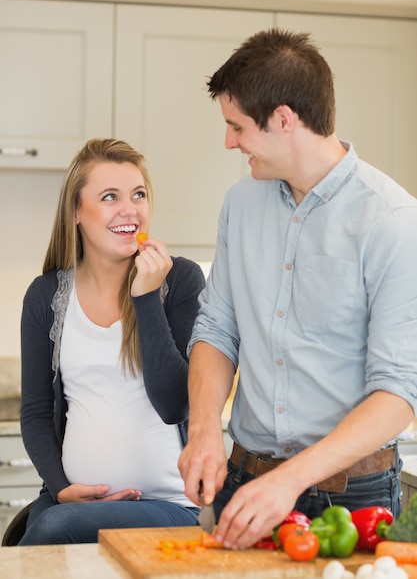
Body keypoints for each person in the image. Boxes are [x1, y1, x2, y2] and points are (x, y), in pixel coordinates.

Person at [178, 28, 417, 550]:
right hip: (244, 482)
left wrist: (289, 479)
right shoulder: (240, 205)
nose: (229, 142)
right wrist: (203, 432)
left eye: (236, 127)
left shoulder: (392, 220)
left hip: (353, 498)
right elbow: (218, 330)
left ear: (284, 120)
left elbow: (400, 392)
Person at [18, 138, 206, 545]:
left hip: (170, 503)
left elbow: (174, 403)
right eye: (109, 197)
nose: (130, 210)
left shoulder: (179, 280)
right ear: (75, 213)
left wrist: (144, 297)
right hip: (71, 504)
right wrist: (60, 488)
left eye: (138, 194)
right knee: (28, 536)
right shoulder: (46, 296)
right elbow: (35, 412)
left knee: (49, 531)